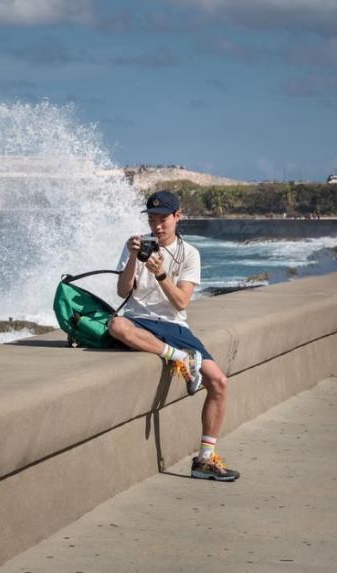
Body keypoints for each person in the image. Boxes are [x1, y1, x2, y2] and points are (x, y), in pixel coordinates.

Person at [108, 190, 240, 482]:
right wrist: (132, 258)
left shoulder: (190, 254)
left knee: (219, 382)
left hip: (175, 326)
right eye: (152, 219)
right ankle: (179, 358)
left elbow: (181, 302)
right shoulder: (136, 245)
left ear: (177, 217)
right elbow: (122, 291)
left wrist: (160, 275)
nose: (156, 225)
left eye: (162, 219)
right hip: (139, 322)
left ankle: (205, 460)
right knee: (116, 325)